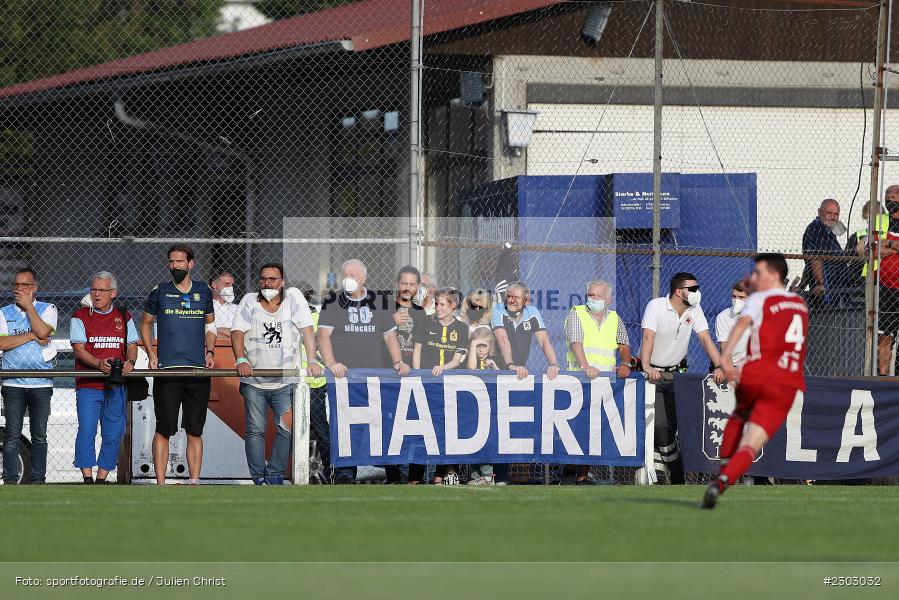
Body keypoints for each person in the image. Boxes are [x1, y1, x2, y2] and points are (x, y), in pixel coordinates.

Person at [702, 254, 808, 509]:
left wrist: (724, 358)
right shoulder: (800, 304)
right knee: (752, 443)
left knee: (740, 413)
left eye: (758, 272)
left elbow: (741, 326)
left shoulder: (760, 299)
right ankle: (723, 482)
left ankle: (724, 467)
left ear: (773, 275)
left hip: (759, 373)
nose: (753, 278)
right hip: (787, 383)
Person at [317, 258, 409, 484]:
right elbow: (323, 336)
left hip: (376, 376)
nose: (348, 279)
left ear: (364, 278)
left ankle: (393, 472)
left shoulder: (379, 300)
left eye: (353, 275)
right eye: (345, 274)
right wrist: (331, 363)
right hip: (344, 377)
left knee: (382, 423)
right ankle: (346, 471)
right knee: (346, 424)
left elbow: (390, 335)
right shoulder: (333, 301)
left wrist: (398, 361)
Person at [231, 263, 323, 486]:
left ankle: (274, 474)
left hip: (284, 380)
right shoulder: (249, 301)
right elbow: (236, 332)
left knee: (286, 428)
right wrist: (241, 359)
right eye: (263, 279)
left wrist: (311, 359)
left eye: (272, 279)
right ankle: (258, 477)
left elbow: (307, 331)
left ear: (282, 282)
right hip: (254, 381)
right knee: (255, 430)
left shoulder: (294, 299)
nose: (267, 283)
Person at [139, 244, 216, 486]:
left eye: (180, 262)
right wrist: (151, 353)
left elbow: (210, 326)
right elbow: (145, 324)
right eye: (171, 262)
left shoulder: (203, 291)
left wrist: (210, 351)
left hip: (197, 371)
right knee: (164, 429)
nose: (175, 266)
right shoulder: (159, 291)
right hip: (167, 371)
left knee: (195, 430)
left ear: (191, 264)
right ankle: (161, 484)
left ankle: (194, 481)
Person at [641, 272, 724, 485]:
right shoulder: (656, 306)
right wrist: (647, 366)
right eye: (692, 289)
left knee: (672, 427)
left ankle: (666, 471)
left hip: (677, 375)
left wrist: (720, 365)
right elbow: (648, 336)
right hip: (654, 376)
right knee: (659, 427)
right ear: (679, 292)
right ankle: (676, 465)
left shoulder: (694, 309)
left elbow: (705, 339)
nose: (697, 292)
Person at [70, 271, 138, 484]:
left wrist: (131, 363)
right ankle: (87, 478)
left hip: (115, 385)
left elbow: (132, 345)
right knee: (87, 431)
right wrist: (99, 364)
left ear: (113, 293)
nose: (97, 294)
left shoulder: (124, 315)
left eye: (102, 290)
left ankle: (102, 478)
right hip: (88, 385)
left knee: (113, 433)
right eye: (94, 289)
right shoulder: (80, 315)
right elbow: (79, 350)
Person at [564, 279, 632, 485]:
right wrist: (586, 366)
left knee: (596, 429)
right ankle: (568, 475)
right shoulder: (577, 313)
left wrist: (626, 363)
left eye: (598, 296)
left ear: (608, 299)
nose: (593, 299)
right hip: (580, 381)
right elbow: (576, 342)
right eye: (590, 295)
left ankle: (583, 475)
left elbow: (624, 345)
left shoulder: (614, 318)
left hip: (606, 383)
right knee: (577, 429)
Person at [0, 267, 57, 484]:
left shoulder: (48, 308)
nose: (19, 289)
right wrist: (33, 334)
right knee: (12, 434)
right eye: (16, 285)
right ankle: (11, 480)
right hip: (12, 382)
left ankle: (38, 479)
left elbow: (44, 333)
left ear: (34, 288)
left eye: (24, 285)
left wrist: (29, 308)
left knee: (39, 435)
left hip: (41, 383)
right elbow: (3, 343)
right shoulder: (3, 312)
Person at [412, 288, 469, 485]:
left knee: (445, 429)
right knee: (420, 428)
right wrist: (417, 374)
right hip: (426, 384)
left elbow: (458, 358)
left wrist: (443, 368)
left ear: (453, 306)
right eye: (436, 304)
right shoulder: (425, 322)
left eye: (442, 304)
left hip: (448, 386)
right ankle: (415, 477)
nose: (438, 308)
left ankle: (440, 474)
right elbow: (417, 349)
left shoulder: (462, 328)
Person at [491, 281, 560, 381]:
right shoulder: (498, 309)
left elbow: (544, 340)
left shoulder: (532, 312)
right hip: (496, 367)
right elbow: (502, 339)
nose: (511, 300)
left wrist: (554, 364)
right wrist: (511, 365)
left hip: (519, 367)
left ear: (526, 301)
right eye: (509, 297)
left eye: (516, 298)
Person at [860, 197, 899, 375]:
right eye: (888, 196)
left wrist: (885, 246)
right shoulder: (880, 221)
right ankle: (882, 378)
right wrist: (892, 244)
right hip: (884, 287)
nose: (891, 199)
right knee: (884, 336)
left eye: (895, 196)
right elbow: (869, 250)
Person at [466, 327, 499, 486]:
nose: (480, 349)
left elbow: (501, 380)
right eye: (477, 345)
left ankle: (487, 476)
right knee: (472, 443)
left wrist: (495, 368)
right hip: (472, 408)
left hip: (488, 409)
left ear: (490, 346)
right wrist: (473, 344)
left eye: (483, 346)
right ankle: (476, 475)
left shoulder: (494, 361)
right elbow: (471, 368)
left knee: (485, 442)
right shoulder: (470, 358)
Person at [801, 198, 853, 298]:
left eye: (836, 214)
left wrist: (801, 286)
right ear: (819, 212)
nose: (833, 217)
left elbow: (808, 266)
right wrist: (820, 284)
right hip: (827, 290)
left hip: (838, 287)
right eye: (829, 213)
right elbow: (815, 259)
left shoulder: (829, 232)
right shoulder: (816, 228)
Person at [714, 281, 750, 367]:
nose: (736, 300)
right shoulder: (723, 317)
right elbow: (725, 348)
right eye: (734, 296)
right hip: (732, 365)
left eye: (741, 297)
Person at [210, 271, 237, 337]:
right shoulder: (206, 307)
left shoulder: (238, 308)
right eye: (227, 284)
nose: (231, 287)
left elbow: (240, 334)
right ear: (214, 284)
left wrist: (216, 330)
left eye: (232, 284)